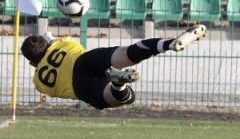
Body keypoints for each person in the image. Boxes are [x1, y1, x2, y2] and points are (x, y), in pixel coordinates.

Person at [20, 25, 207, 110]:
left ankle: (118, 85)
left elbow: (46, 72)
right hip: (84, 59)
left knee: (125, 98)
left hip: (79, 86)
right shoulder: (61, 43)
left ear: (31, 63)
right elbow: (53, 41)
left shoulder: (38, 82)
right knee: (128, 53)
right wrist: (50, 40)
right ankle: (168, 43)